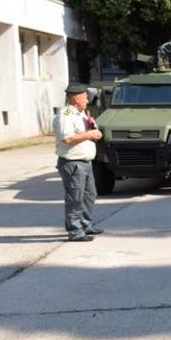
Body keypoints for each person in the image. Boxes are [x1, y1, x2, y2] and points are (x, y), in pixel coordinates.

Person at [54, 84, 104, 242]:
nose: (88, 99)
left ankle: (85, 225)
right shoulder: (66, 114)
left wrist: (95, 132)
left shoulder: (81, 113)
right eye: (85, 96)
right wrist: (89, 134)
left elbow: (87, 132)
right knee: (75, 198)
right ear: (75, 98)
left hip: (85, 163)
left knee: (89, 195)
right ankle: (75, 231)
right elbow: (67, 138)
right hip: (73, 163)